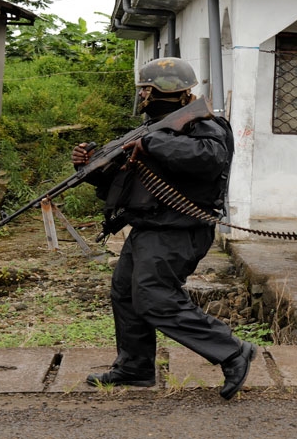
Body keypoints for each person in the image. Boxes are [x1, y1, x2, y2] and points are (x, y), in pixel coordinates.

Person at [72, 57, 256, 400]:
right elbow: (124, 182)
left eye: (145, 89)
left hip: (178, 228)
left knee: (154, 297)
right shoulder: (151, 128)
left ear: (159, 92)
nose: (141, 95)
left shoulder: (204, 125)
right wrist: (91, 167)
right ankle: (135, 367)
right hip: (148, 225)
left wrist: (153, 144)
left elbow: (210, 158)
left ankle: (232, 351)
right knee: (125, 292)